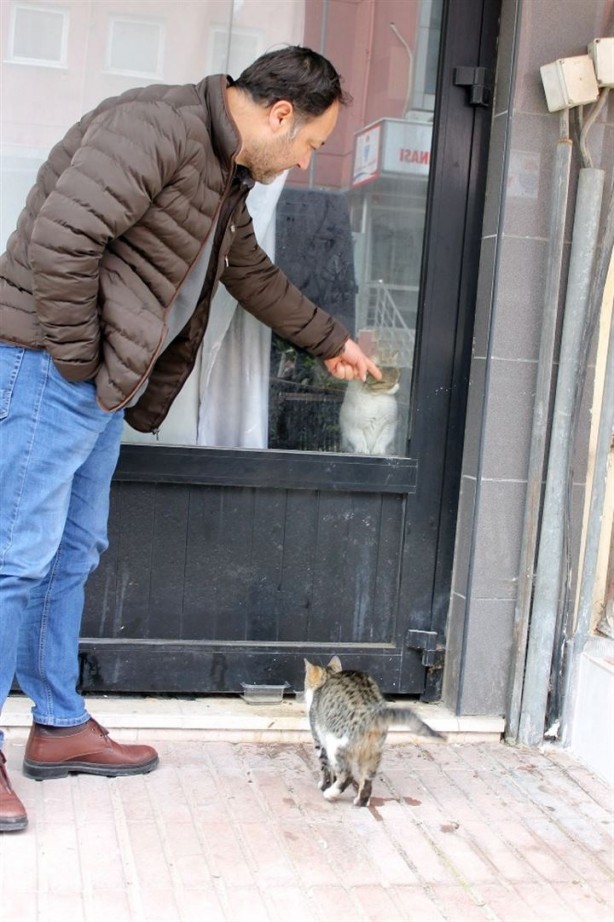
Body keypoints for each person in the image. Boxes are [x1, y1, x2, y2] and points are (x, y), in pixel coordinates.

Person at [0, 45, 380, 832]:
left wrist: (328, 340)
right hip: (48, 369)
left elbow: (252, 274)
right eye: (309, 144)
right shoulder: (157, 127)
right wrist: (80, 364)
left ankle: (60, 724)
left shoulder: (220, 170)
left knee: (70, 552)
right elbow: (61, 241)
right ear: (281, 114)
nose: (304, 160)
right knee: (15, 557)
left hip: (91, 384)